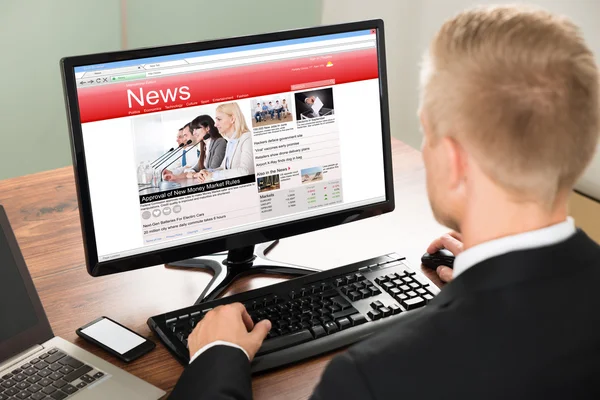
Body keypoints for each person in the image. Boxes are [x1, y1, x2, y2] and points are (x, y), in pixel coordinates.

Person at [170, 5, 600, 399]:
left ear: (453, 160)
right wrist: (497, 277)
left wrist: (216, 356)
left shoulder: (373, 380)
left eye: (425, 133)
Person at [197, 102, 255, 183]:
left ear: (232, 119)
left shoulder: (247, 138)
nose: (215, 124)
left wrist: (214, 175)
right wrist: (207, 172)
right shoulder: (230, 142)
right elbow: (223, 168)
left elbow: (246, 171)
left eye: (219, 119)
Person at [164, 116, 226, 181]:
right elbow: (192, 170)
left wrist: (194, 174)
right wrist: (175, 177)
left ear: (207, 128)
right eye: (193, 130)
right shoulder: (205, 146)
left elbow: (212, 170)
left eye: (197, 129)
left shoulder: (220, 142)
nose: (194, 133)